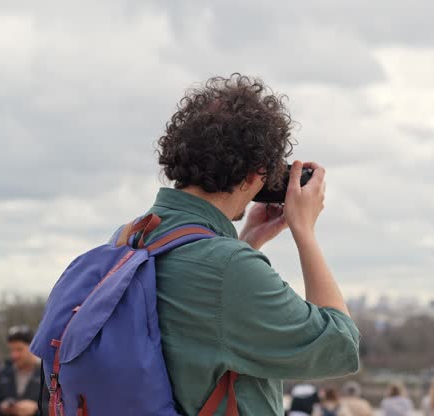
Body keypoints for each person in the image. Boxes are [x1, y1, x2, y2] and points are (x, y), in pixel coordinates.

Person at [140, 74, 361, 415]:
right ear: (257, 176)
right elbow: (340, 345)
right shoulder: (227, 268)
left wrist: (247, 242)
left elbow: (199, 325)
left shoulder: (134, 237)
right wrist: (304, 230)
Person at [0, 326, 48, 416]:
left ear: (33, 347)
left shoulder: (48, 373)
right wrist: (1, 407)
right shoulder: (3, 374)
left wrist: (36, 408)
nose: (14, 355)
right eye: (12, 350)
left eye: (19, 350)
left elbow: (64, 407)